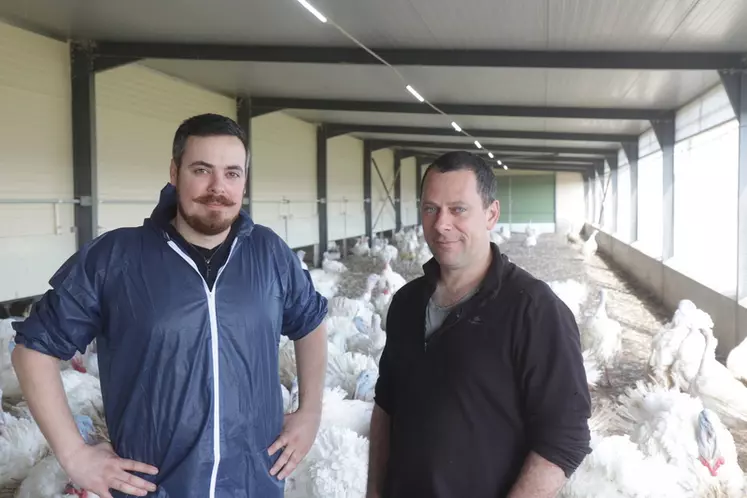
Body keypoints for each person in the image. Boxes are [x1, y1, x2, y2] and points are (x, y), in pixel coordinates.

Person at [11, 113, 328, 498]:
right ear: (174, 173)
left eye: (232, 173)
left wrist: (309, 412)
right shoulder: (117, 258)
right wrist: (74, 454)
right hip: (155, 489)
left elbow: (310, 322)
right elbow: (33, 351)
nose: (218, 187)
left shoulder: (269, 253)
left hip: (253, 484)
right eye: (202, 170)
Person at [366, 151, 591, 498]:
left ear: (491, 214)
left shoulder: (534, 311)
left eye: (458, 209)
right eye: (431, 209)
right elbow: (386, 405)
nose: (441, 224)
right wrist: (374, 492)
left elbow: (565, 439)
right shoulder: (406, 303)